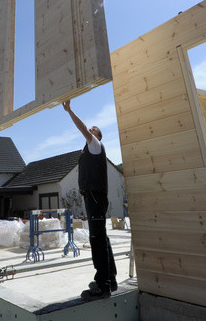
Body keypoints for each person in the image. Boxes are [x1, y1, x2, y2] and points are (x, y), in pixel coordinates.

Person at [62, 100, 117, 300]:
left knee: (96, 239)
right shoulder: (88, 150)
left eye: (94, 129)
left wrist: (70, 111)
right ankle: (110, 278)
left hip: (95, 195)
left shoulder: (95, 144)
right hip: (93, 196)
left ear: (98, 136)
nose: (90, 130)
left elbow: (83, 128)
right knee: (101, 237)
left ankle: (103, 286)